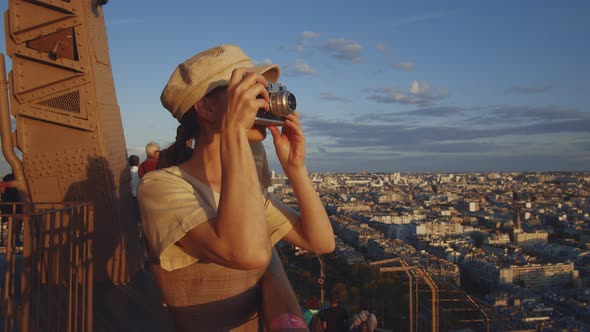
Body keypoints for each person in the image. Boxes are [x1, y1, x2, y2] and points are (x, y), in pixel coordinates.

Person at [137, 44, 335, 331]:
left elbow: (321, 242)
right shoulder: (161, 187)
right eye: (249, 91)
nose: (264, 101)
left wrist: (295, 168)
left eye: (263, 91)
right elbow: (248, 253)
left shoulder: (248, 191)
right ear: (205, 107)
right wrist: (235, 132)